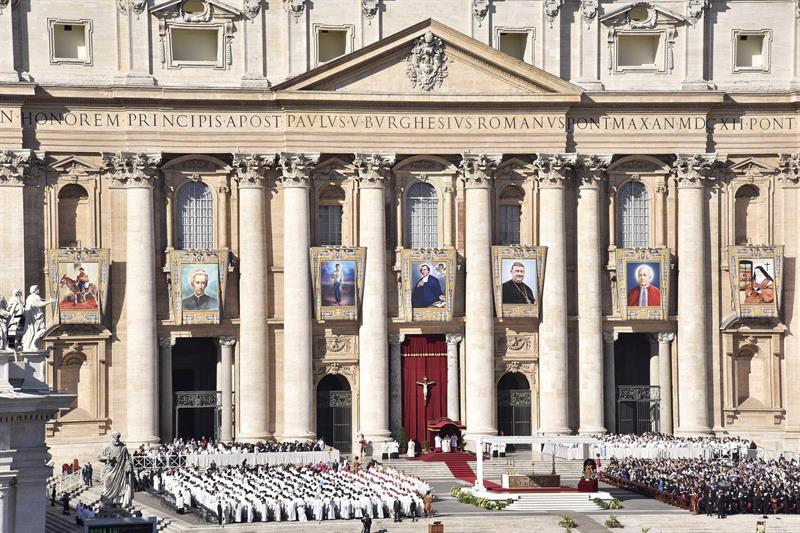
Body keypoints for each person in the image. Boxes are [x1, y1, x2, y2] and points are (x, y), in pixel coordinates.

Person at [98, 432, 133, 507]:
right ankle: (105, 501)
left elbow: (127, 458)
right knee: (107, 485)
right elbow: (99, 457)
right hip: (110, 471)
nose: (117, 440)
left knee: (119, 487)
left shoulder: (123, 447)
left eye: (118, 438)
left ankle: (116, 503)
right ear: (112, 438)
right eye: (115, 439)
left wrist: (128, 464)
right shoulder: (106, 447)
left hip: (120, 471)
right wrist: (106, 458)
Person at [21, 285, 51, 351]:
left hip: (36, 316)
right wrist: (50, 301)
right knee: (31, 332)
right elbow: (39, 304)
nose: (39, 290)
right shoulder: (34, 297)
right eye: (37, 289)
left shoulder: (30, 297)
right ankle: (27, 346)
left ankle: (32, 344)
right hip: (34, 317)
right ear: (34, 290)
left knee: (41, 330)